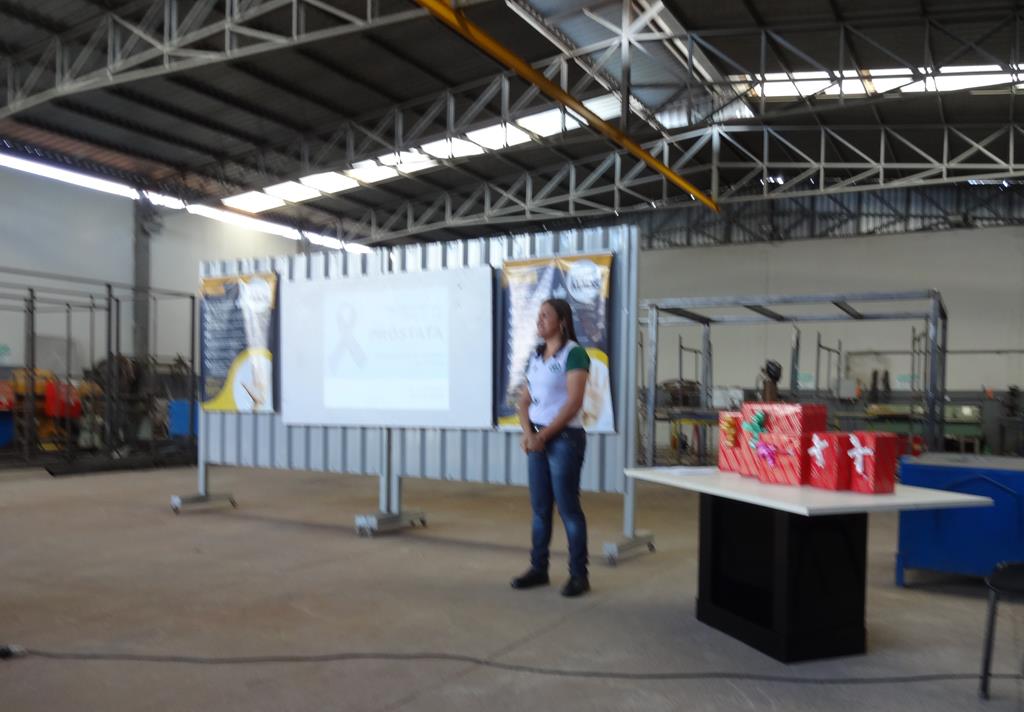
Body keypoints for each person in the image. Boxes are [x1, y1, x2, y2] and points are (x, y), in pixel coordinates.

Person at [511, 298, 591, 597]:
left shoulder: (574, 354)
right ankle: (539, 568)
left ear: (562, 321)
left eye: (545, 316)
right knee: (540, 509)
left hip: (565, 439)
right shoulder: (536, 356)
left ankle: (579, 575)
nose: (539, 320)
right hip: (538, 438)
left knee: (568, 508)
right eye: (538, 316)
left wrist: (541, 437)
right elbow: (524, 401)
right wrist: (529, 433)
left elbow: (574, 403)